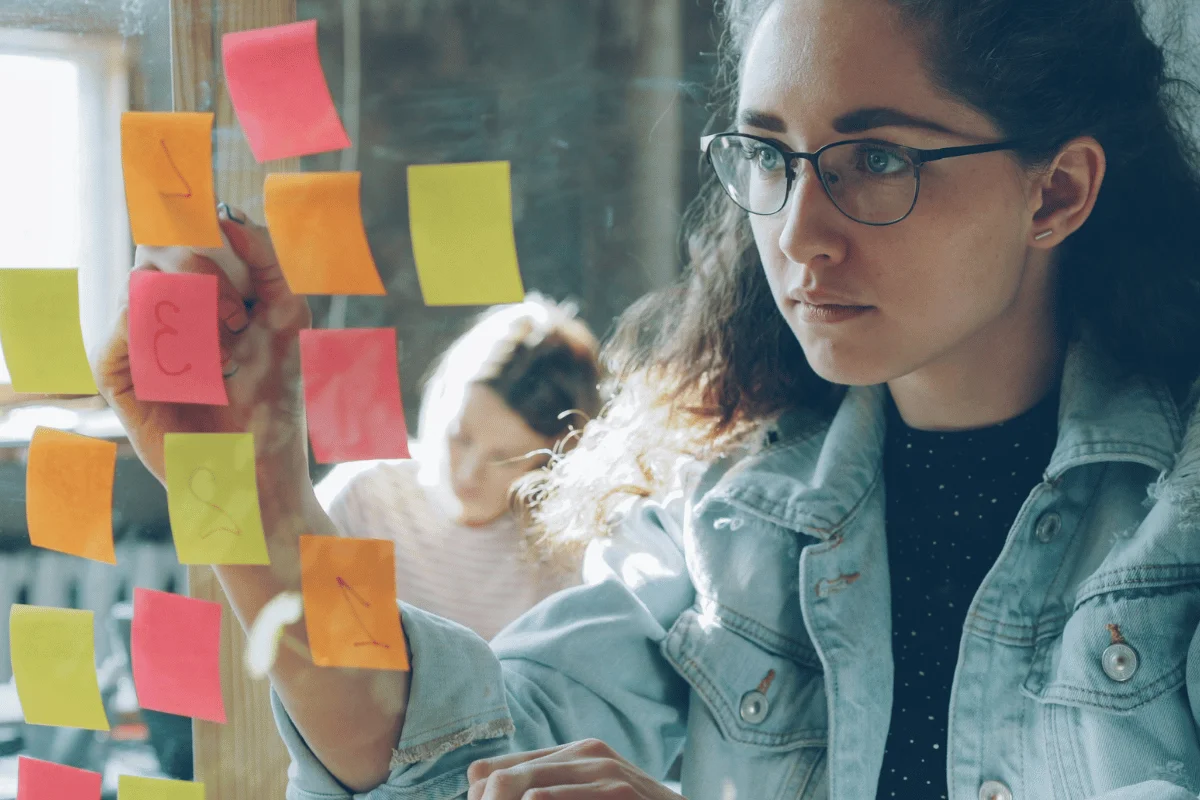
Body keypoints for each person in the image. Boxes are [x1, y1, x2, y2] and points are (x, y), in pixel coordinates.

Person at [92, 0, 1200, 796]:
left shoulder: (1176, 528)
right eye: (771, 155)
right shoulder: (728, 521)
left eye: (874, 159)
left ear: (1055, 191)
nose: (799, 236)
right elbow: (439, 747)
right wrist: (248, 486)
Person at [313, 295, 602, 642]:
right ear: (441, 396)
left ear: (550, 461)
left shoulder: (563, 556)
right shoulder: (365, 502)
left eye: (502, 458)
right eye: (460, 436)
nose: (467, 473)